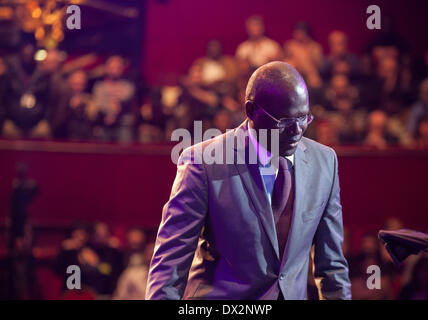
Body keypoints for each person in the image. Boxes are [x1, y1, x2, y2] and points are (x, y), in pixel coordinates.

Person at [146, 61, 351, 300]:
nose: (297, 130)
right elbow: (171, 261)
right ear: (251, 110)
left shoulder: (325, 162)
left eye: (304, 118)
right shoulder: (203, 162)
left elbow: (333, 267)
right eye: (284, 121)